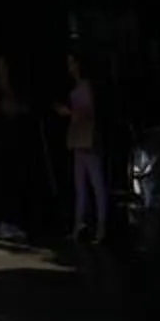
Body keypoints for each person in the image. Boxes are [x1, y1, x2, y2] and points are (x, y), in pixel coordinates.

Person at [0, 54, 35, 241]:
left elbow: (19, 109)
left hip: (11, 140)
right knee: (1, 182)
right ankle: (3, 223)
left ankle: (13, 222)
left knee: (13, 181)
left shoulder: (12, 90)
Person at [57, 50, 106, 244]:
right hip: (79, 139)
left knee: (96, 183)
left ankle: (101, 228)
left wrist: (70, 112)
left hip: (88, 139)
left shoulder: (87, 86)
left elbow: (89, 112)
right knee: (81, 186)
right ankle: (78, 227)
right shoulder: (76, 87)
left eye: (72, 63)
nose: (70, 68)